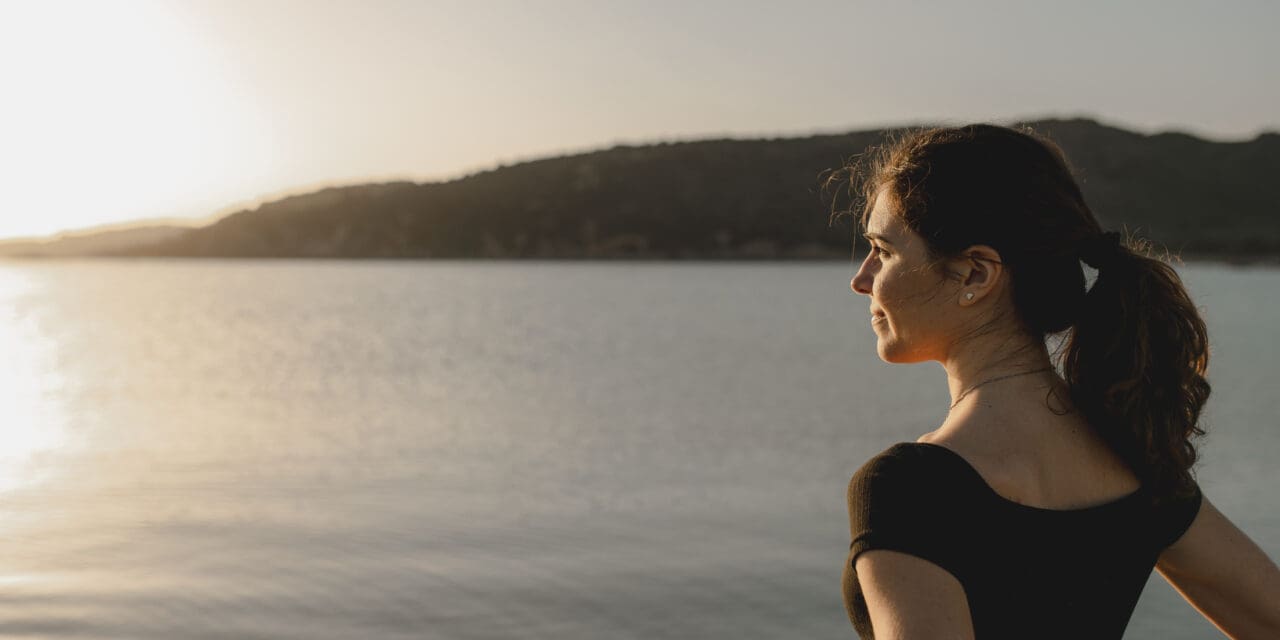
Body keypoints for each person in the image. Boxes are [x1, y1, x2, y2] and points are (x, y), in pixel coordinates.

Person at [836, 123, 1280, 639]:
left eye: (884, 251)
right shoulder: (1136, 460)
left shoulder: (910, 490)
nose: (861, 279)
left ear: (976, 275)